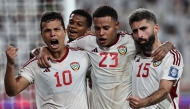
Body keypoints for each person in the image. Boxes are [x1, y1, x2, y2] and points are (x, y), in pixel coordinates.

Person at [38, 6, 174, 109]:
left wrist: (168, 45)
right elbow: (60, 49)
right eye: (97, 28)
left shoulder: (131, 41)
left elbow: (153, 44)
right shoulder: (87, 41)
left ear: (116, 26)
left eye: (106, 28)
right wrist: (41, 50)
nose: (101, 33)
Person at [4, 12, 91, 109]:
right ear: (42, 35)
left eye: (56, 29)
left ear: (64, 31)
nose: (52, 34)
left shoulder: (82, 56)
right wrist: (10, 65)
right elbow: (12, 91)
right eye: (47, 30)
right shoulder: (35, 64)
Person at [127, 8, 184, 109]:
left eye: (144, 28)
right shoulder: (134, 53)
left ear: (156, 28)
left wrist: (143, 102)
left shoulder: (171, 56)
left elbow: (164, 90)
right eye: (135, 31)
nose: (140, 35)